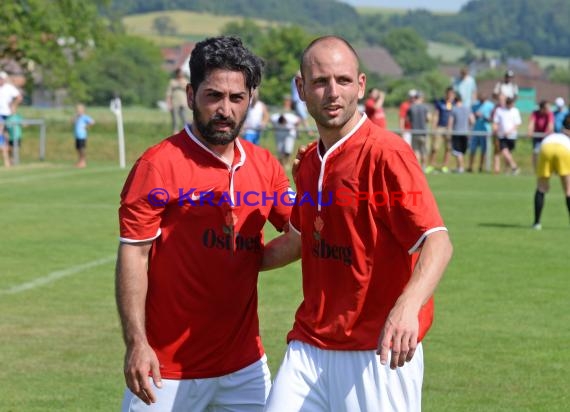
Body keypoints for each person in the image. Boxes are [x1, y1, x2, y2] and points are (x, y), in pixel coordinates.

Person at [262, 35, 453, 412]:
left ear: (361, 85)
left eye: (343, 81)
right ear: (301, 88)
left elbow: (437, 241)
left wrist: (407, 306)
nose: (332, 92)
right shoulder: (309, 163)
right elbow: (300, 240)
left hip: (378, 352)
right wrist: (231, 257)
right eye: (320, 82)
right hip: (309, 346)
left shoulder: (387, 153)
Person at [116, 36, 292, 411]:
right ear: (191, 93)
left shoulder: (265, 166)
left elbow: (301, 234)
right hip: (165, 369)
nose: (225, 109)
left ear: (251, 99)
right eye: (213, 96)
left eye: (236, 98)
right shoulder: (157, 165)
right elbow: (134, 255)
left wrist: (252, 256)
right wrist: (137, 343)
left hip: (244, 367)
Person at [532, 113, 570, 230]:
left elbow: (535, 152)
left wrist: (536, 169)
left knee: (541, 188)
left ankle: (537, 223)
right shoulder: (567, 137)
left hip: (546, 146)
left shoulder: (554, 134)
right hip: (564, 149)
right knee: (568, 190)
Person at [427, 86, 455, 174]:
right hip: (440, 127)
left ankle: (445, 166)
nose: (450, 95)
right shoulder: (440, 103)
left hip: (449, 129)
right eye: (449, 94)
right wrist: (434, 128)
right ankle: (431, 165)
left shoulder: (454, 104)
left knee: (448, 148)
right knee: (435, 147)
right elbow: (436, 115)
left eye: (452, 94)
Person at [270, 95, 300, 168]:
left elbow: (297, 121)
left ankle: (286, 163)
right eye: (285, 100)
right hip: (279, 133)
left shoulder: (293, 112)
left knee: (288, 150)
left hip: (289, 133)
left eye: (288, 101)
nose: (286, 102)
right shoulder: (280, 111)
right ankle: (281, 164)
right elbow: (273, 119)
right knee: (280, 150)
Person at [493, 96, 521, 175]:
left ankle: (507, 170)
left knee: (509, 153)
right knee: (504, 151)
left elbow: (517, 124)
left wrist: (509, 131)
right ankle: (514, 166)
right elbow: (496, 121)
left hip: (512, 136)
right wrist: (495, 129)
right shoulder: (499, 110)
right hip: (502, 135)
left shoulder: (515, 111)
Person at [0, 71, 23, 168]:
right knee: (1, 135)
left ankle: (10, 159)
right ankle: (7, 161)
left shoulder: (9, 88)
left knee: (9, 138)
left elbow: (19, 97)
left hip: (8, 115)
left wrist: (14, 106)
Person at [468, 92, 495, 173]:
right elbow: (471, 117)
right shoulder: (475, 105)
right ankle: (470, 166)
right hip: (475, 130)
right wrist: (475, 116)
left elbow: (492, 119)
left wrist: (485, 117)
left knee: (484, 150)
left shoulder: (490, 106)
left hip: (485, 131)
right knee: (472, 149)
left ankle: (481, 167)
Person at [448, 95, 474, 173]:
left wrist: (449, 132)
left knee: (457, 151)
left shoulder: (454, 109)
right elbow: (472, 120)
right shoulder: (467, 109)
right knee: (461, 151)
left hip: (457, 132)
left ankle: (461, 167)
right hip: (465, 133)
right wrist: (469, 128)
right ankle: (459, 167)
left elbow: (450, 122)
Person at [407, 91, 430, 170]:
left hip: (414, 132)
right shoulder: (425, 107)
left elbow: (408, 120)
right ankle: (424, 167)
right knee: (423, 150)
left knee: (416, 151)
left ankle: (418, 167)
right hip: (423, 132)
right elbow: (428, 119)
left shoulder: (411, 107)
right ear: (421, 98)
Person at [528, 100, 554, 171]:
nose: (549, 109)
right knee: (536, 152)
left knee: (548, 153)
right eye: (547, 108)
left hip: (546, 137)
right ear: (542, 109)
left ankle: (549, 169)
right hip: (537, 136)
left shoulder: (549, 114)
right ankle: (536, 169)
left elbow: (550, 124)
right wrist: (530, 131)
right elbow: (531, 123)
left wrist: (549, 131)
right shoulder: (535, 113)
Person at [165, 68, 189, 133]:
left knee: (185, 118)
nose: (181, 74)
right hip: (174, 102)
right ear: (177, 74)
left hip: (184, 102)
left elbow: (189, 91)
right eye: (179, 73)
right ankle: (175, 133)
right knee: (175, 119)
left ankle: (186, 132)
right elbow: (168, 93)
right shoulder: (172, 82)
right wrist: (168, 103)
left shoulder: (185, 81)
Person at [291, 70, 313, 136]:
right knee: (304, 117)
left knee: (298, 118)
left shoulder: (294, 80)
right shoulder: (296, 80)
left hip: (297, 101)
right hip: (298, 101)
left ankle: (296, 133)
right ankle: (309, 132)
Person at [72, 104, 95, 168]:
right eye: (77, 109)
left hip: (82, 136)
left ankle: (83, 162)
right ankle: (79, 161)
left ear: (83, 110)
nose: (78, 111)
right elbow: (72, 122)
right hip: (77, 136)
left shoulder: (85, 117)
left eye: (79, 109)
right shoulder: (77, 117)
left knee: (82, 149)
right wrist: (75, 117)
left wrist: (86, 126)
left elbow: (92, 122)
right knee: (78, 149)